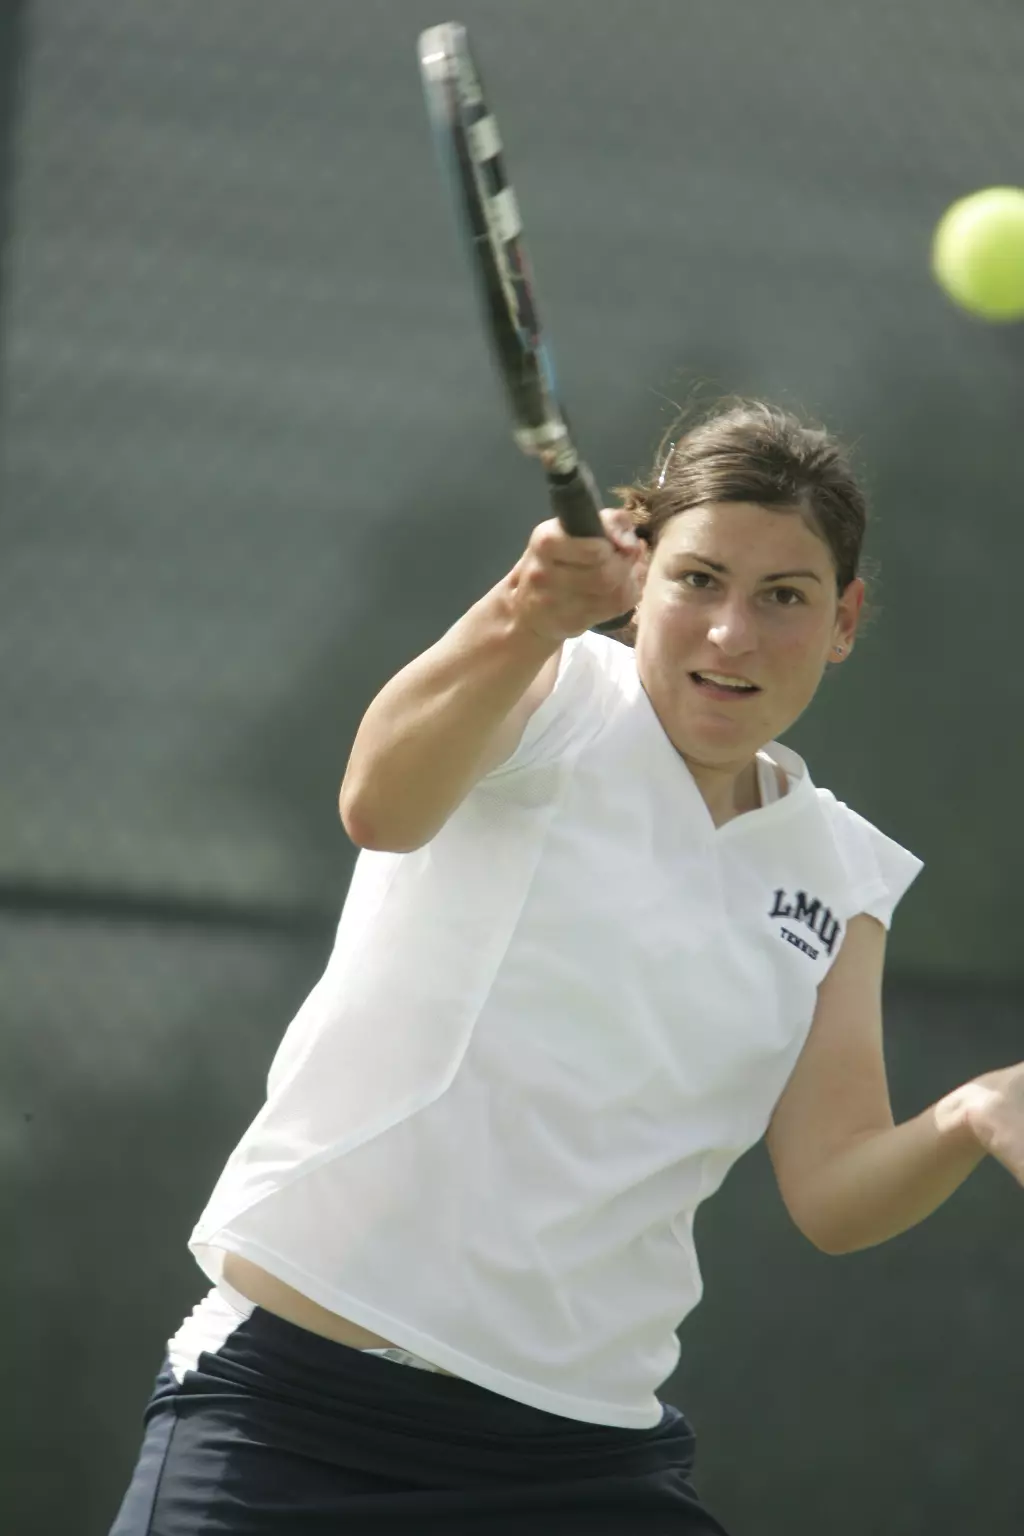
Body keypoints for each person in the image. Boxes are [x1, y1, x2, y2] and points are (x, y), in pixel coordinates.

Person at [109, 400, 1024, 1536]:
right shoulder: (548, 691)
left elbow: (833, 1190)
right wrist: (522, 615)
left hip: (581, 1459)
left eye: (782, 597)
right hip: (294, 1415)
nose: (732, 634)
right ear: (641, 580)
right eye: (698, 581)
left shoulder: (841, 876)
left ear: (843, 620)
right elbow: (379, 806)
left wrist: (979, 1113)